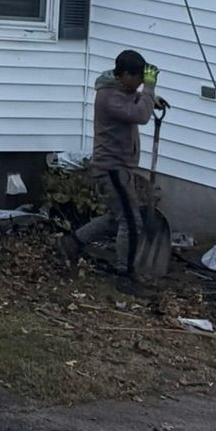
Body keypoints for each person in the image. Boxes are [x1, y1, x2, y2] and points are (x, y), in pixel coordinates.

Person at [62, 49, 167, 284]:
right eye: (138, 78)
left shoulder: (121, 88)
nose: (141, 83)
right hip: (112, 169)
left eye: (143, 79)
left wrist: (150, 97)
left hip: (119, 167)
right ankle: (124, 274)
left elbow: (137, 101)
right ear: (124, 75)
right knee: (131, 222)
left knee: (116, 217)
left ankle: (72, 242)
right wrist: (148, 93)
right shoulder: (109, 97)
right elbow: (140, 115)